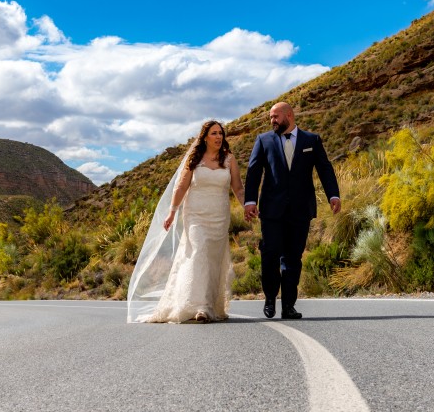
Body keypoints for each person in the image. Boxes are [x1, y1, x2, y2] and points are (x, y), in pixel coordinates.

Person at [126, 120, 244, 323]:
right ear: (205, 137)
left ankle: (210, 304)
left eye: (220, 133)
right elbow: (181, 187)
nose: (218, 137)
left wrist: (248, 206)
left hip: (219, 216)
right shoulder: (195, 159)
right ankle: (200, 307)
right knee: (199, 252)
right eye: (214, 133)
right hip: (196, 215)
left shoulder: (229, 159)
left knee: (214, 259)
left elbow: (238, 188)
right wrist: (172, 212)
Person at [244, 102, 340, 319]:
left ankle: (288, 306)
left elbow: (325, 168)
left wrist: (333, 195)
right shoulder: (264, 140)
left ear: (289, 115)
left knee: (293, 258)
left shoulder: (311, 140)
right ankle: (270, 298)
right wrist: (250, 201)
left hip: (300, 210)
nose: (272, 121)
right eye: (270, 117)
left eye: (276, 116)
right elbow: (253, 171)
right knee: (270, 255)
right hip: (271, 210)